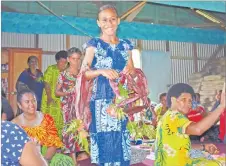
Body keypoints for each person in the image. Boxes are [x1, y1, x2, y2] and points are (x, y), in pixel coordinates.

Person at [81, 4, 135, 165]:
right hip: (100, 101)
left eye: (112, 19)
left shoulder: (126, 45)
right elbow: (84, 73)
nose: (109, 23)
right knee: (106, 140)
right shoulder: (94, 45)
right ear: (98, 23)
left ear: (118, 21)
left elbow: (131, 70)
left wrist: (130, 71)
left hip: (120, 100)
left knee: (120, 137)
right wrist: (101, 71)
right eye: (104, 20)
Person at [154, 83, 225, 166]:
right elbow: (198, 129)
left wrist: (203, 147)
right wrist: (222, 106)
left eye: (190, 101)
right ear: (173, 100)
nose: (188, 103)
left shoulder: (167, 116)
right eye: (183, 99)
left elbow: (179, 146)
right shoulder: (174, 116)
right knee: (220, 162)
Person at [12, 89, 74, 165]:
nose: (32, 104)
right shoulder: (14, 125)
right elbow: (14, 150)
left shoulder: (46, 119)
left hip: (46, 157)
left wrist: (44, 161)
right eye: (27, 102)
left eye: (34, 100)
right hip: (24, 159)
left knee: (64, 161)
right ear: (19, 105)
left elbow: (53, 145)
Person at [55, 47, 85, 164]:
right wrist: (67, 93)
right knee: (71, 131)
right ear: (68, 59)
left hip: (82, 107)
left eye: (78, 59)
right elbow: (56, 92)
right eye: (73, 59)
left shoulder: (83, 74)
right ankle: (73, 160)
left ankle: (84, 154)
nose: (76, 61)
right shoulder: (63, 75)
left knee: (83, 129)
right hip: (68, 107)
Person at [41, 50, 68, 137]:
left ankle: (60, 143)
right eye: (61, 61)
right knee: (50, 121)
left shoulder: (68, 70)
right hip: (50, 98)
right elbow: (46, 83)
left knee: (62, 121)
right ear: (57, 61)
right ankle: (48, 143)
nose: (64, 64)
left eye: (65, 62)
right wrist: (49, 97)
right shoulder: (51, 69)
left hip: (63, 100)